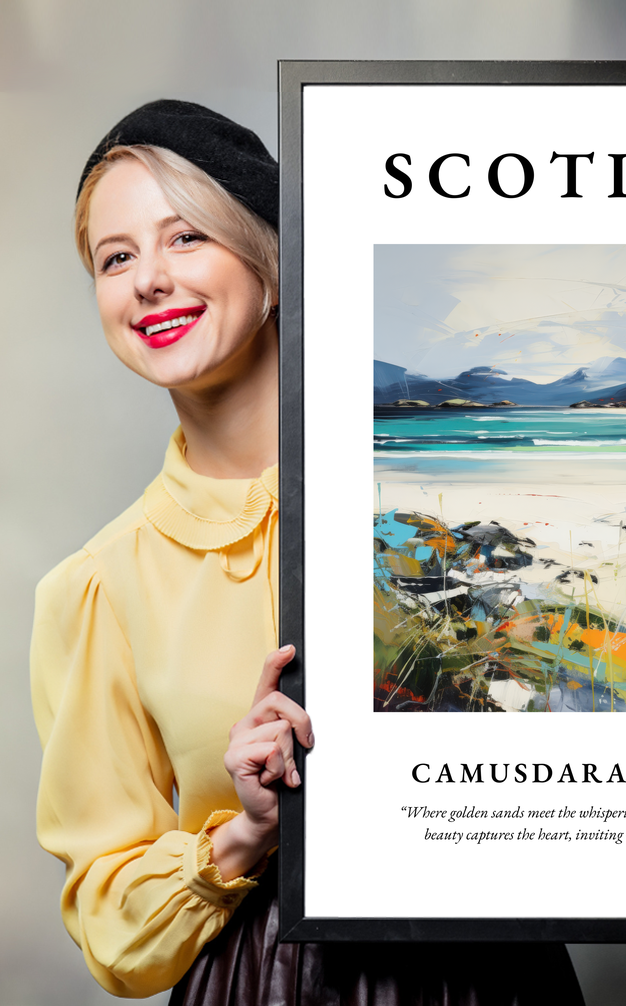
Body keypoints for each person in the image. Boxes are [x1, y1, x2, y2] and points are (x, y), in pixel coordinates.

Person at [30, 100, 585, 1004]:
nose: (148, 281)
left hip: (493, 973)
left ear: (273, 264)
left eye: (185, 239)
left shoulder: (449, 504)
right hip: (263, 981)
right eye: (116, 257)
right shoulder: (97, 587)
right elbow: (110, 924)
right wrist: (245, 832)